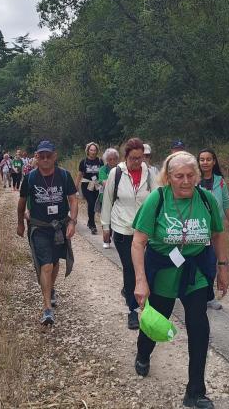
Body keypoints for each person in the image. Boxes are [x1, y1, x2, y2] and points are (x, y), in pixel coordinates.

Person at [132, 151, 229, 409]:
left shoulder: (206, 199)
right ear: (169, 177)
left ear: (197, 176)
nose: (185, 181)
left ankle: (195, 391)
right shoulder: (158, 199)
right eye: (179, 176)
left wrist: (222, 266)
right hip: (163, 270)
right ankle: (143, 352)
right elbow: (138, 241)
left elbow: (218, 234)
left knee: (199, 326)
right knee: (156, 322)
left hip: (195, 271)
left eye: (190, 175)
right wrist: (140, 280)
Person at [17, 140, 78, 326]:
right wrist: (20, 223)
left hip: (59, 227)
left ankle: (50, 289)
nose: (45, 159)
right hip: (39, 227)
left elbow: (74, 200)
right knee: (46, 266)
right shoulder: (30, 178)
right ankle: (47, 309)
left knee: (55, 261)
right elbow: (21, 203)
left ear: (54, 156)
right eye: (41, 156)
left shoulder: (65, 176)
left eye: (48, 156)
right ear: (36, 156)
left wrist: (73, 222)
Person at [102, 137, 157, 330]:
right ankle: (132, 311)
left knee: (145, 267)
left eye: (140, 158)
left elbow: (157, 199)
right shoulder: (116, 173)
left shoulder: (149, 174)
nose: (137, 162)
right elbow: (108, 201)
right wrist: (105, 226)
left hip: (144, 229)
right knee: (130, 268)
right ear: (126, 157)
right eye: (133, 158)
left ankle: (138, 295)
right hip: (122, 227)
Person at [197, 148, 229, 311]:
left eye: (208, 159)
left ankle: (209, 297)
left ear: (214, 161)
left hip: (216, 230)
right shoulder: (193, 180)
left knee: (212, 263)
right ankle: (198, 296)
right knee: (201, 263)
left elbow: (226, 203)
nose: (205, 162)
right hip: (198, 228)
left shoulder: (220, 181)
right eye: (202, 159)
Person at [77, 142, 104, 234]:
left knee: (96, 203)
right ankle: (92, 225)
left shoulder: (100, 161)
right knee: (91, 203)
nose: (93, 152)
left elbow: (103, 174)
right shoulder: (83, 162)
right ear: (88, 151)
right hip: (86, 185)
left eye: (94, 150)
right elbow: (79, 175)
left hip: (97, 185)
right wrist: (75, 187)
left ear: (97, 151)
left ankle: (90, 221)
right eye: (91, 150)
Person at [97, 147, 120, 248]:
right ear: (106, 160)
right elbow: (104, 182)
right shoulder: (103, 169)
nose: (112, 161)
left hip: (118, 199)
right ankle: (106, 238)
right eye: (110, 159)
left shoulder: (121, 169)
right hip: (104, 197)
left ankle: (115, 237)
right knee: (106, 218)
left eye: (114, 159)